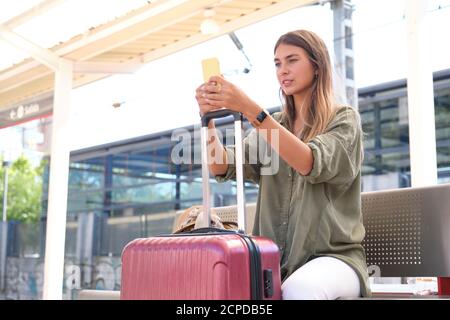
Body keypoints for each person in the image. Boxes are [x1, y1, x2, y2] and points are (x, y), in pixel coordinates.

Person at [195, 29, 370, 299]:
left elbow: (309, 162)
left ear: (317, 65)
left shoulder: (344, 120)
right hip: (274, 260)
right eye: (277, 63)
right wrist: (208, 120)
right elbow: (220, 165)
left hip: (334, 258)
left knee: (300, 289)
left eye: (292, 60)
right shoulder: (274, 124)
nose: (283, 70)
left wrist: (252, 110)